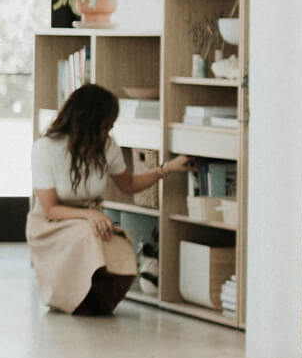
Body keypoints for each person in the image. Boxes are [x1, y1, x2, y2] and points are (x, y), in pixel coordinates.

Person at [30, 83, 191, 315]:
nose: (108, 132)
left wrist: (167, 169)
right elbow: (50, 209)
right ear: (87, 120)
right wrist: (90, 214)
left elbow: (129, 185)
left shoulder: (106, 146)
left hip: (91, 220)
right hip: (51, 223)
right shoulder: (45, 148)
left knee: (118, 240)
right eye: (105, 125)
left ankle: (95, 301)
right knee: (89, 235)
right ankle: (72, 299)